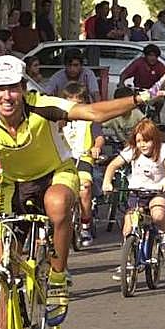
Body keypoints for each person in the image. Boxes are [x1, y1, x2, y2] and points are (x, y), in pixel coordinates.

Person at [0, 55, 163, 329]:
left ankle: (58, 278)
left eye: (12, 88)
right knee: (2, 269)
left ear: (23, 87)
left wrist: (143, 97)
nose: (6, 96)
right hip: (14, 185)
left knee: (58, 204)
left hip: (55, 174)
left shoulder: (42, 105)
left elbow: (94, 114)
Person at [101, 117, 165, 268]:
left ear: (154, 140)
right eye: (139, 141)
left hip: (156, 191)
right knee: (128, 227)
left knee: (158, 215)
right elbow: (112, 166)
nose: (143, 145)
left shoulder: (163, 149)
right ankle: (129, 259)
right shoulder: (133, 150)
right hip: (137, 192)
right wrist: (107, 182)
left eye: (146, 141)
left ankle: (164, 232)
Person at [59, 82, 103, 247]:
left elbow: (99, 137)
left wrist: (96, 147)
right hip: (63, 160)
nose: (74, 107)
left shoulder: (90, 120)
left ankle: (85, 225)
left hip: (83, 158)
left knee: (84, 188)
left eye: (78, 103)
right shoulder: (59, 119)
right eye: (70, 103)